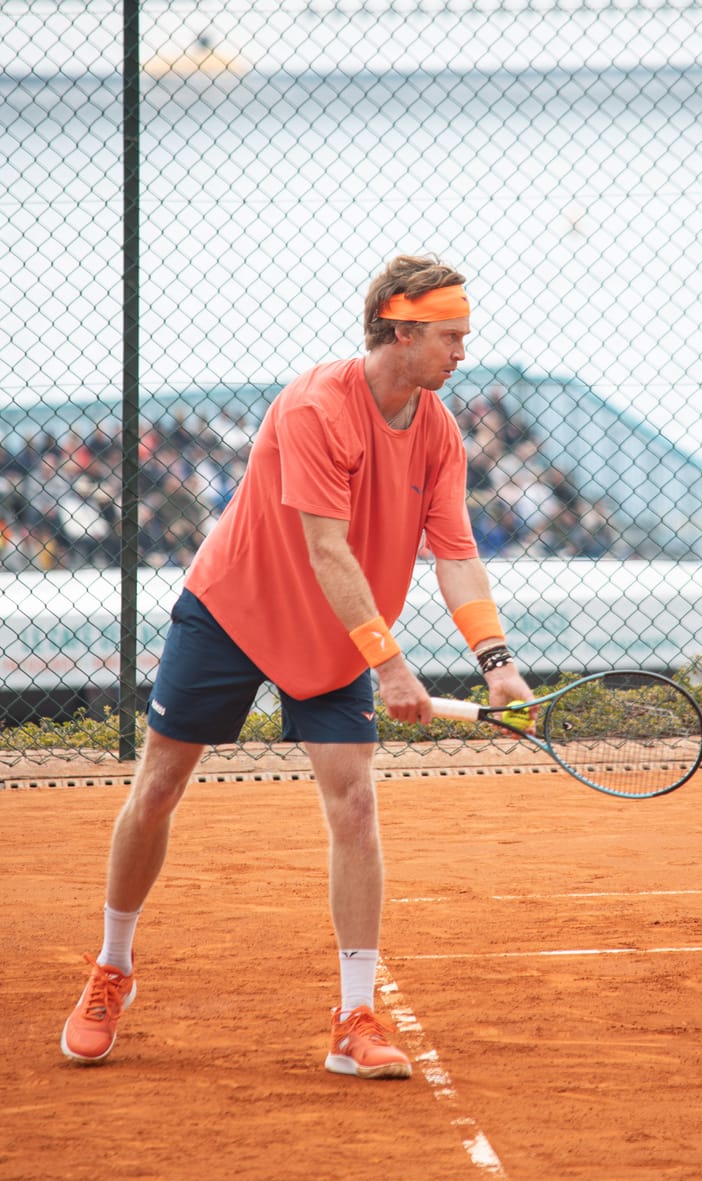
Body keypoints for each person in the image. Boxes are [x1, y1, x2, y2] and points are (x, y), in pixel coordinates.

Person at [60, 254, 534, 1079]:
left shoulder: (439, 431)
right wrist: (391, 666)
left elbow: (456, 551)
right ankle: (113, 967)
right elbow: (327, 549)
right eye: (451, 336)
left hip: (337, 637)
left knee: (355, 803)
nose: (464, 352)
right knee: (159, 788)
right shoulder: (317, 405)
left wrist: (496, 661)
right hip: (234, 612)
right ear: (401, 328)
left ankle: (354, 1017)